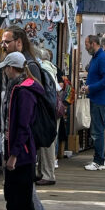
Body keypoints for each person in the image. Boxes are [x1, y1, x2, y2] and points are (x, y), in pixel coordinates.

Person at [0, 26, 51, 210]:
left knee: (21, 194)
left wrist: (15, 151)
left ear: (19, 42)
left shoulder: (24, 85)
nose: (3, 45)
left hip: (21, 147)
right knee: (16, 193)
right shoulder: (19, 80)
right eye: (2, 42)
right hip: (16, 143)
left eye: (7, 41)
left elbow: (24, 120)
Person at [83, 34, 105, 171]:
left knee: (98, 130)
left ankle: (99, 161)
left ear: (94, 43)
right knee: (97, 129)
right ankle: (99, 159)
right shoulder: (97, 57)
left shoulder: (102, 58)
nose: (86, 47)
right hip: (96, 98)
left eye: (87, 44)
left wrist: (90, 88)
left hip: (100, 99)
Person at [35, 47, 59, 186]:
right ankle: (44, 172)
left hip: (47, 110)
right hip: (50, 109)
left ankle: (48, 174)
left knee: (47, 143)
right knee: (47, 143)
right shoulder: (50, 67)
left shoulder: (44, 69)